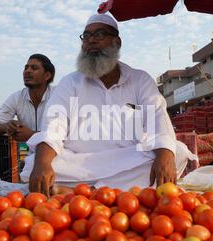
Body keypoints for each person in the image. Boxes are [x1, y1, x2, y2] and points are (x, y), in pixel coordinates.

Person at [21, 14, 196, 196]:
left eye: (99, 35)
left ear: (116, 42)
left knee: (177, 152)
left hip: (128, 160)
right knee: (34, 164)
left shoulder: (140, 80)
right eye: (86, 37)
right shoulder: (70, 83)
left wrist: (164, 154)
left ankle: (85, 192)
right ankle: (111, 190)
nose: (91, 42)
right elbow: (53, 129)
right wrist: (43, 164)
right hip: (78, 164)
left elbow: (158, 120)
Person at [0, 54, 55, 142]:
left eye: (34, 68)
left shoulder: (58, 95)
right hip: (31, 154)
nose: (27, 71)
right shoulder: (17, 97)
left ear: (47, 75)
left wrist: (31, 135)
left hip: (62, 153)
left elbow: (68, 135)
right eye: (26, 68)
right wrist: (7, 126)